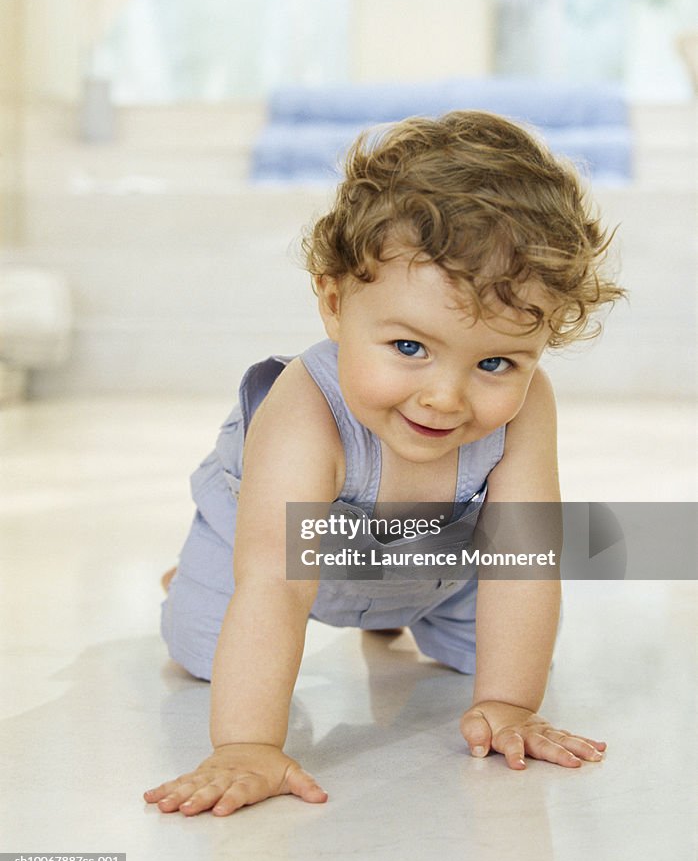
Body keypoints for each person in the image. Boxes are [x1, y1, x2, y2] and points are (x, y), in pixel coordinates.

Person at [144, 110, 624, 817]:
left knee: (495, 660)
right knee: (208, 653)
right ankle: (200, 568)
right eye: (409, 348)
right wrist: (246, 746)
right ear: (336, 304)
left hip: (434, 568)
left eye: (495, 362)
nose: (445, 397)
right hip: (279, 561)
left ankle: (391, 613)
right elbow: (276, 586)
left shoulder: (527, 409)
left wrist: (508, 702)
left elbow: (522, 560)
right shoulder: (306, 410)